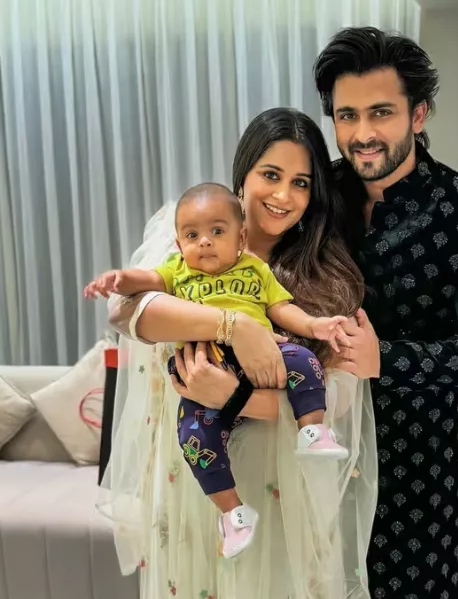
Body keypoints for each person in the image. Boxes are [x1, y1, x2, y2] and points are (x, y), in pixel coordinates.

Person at [99, 108, 379, 599]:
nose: (283, 195)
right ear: (243, 172)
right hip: (198, 481)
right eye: (270, 175)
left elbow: (337, 399)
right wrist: (236, 325)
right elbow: (128, 312)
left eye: (300, 183)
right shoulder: (191, 230)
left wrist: (232, 397)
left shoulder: (323, 274)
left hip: (279, 483)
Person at [313, 27, 458, 598]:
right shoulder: (316, 199)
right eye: (347, 115)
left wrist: (387, 359)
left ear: (418, 113)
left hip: (417, 485)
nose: (362, 134)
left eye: (381, 112)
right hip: (313, 463)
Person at [87, 182, 350, 559]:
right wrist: (118, 279)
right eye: (192, 235)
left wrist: (314, 325)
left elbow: (281, 309)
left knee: (304, 361)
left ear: (240, 238)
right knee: (192, 437)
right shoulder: (177, 271)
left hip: (263, 356)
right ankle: (233, 514)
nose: (205, 242)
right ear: (179, 245)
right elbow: (143, 285)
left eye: (217, 231)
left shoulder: (255, 269)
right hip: (206, 368)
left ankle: (313, 430)